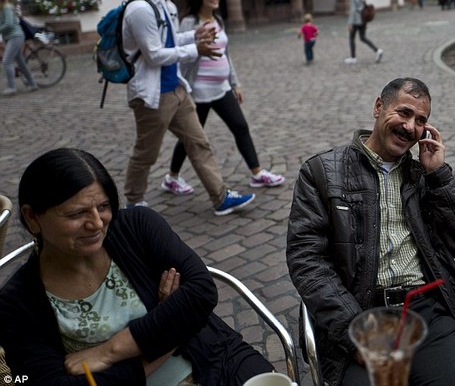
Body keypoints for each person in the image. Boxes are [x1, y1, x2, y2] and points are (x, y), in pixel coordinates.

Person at [0, 148, 275, 385]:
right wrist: (171, 325)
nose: (96, 223)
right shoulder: (16, 303)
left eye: (104, 206)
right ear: (32, 218)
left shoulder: (136, 226)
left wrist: (109, 351)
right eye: (77, 213)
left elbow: (202, 291)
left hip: (215, 357)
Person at [286, 78, 455, 386]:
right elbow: (306, 260)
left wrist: (439, 176)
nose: (410, 127)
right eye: (404, 113)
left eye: (421, 121)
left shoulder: (424, 173)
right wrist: (354, 331)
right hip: (359, 312)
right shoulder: (321, 173)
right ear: (378, 107)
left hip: (424, 313)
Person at [121, 0, 255, 216]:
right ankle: (133, 201)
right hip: (152, 95)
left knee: (199, 143)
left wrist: (194, 34)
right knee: (146, 152)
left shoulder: (165, 5)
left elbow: (172, 41)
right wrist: (196, 48)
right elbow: (155, 54)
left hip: (177, 89)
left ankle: (220, 198)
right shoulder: (139, 9)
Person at [164, 0, 285, 197]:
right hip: (198, 92)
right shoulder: (190, 23)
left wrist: (234, 83)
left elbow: (225, 55)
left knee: (240, 127)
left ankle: (257, 173)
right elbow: (181, 56)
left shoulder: (218, 20)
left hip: (222, 89)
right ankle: (171, 177)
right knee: (190, 138)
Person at [0, 0, 37, 96]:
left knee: (7, 61)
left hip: (15, 36)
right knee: (21, 62)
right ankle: (33, 84)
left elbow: (9, 24)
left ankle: (11, 88)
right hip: (11, 37)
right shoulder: (2, 8)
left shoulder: (6, 8)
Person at [345, 0, 383, 64]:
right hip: (363, 19)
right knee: (363, 37)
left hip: (356, 20)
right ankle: (377, 50)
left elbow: (353, 10)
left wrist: (350, 23)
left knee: (351, 38)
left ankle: (353, 57)